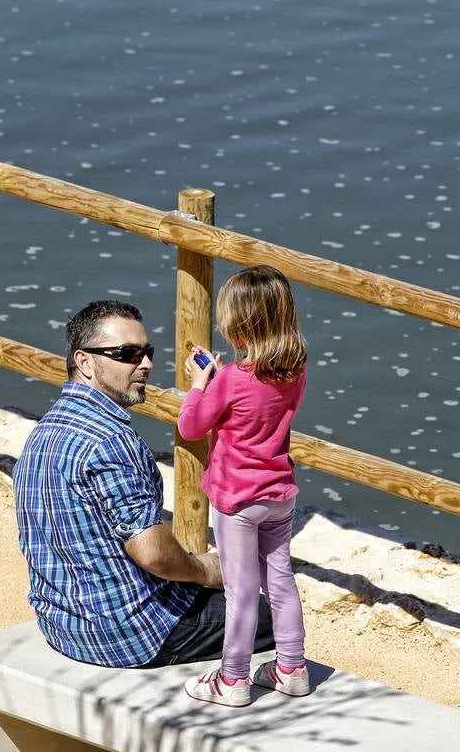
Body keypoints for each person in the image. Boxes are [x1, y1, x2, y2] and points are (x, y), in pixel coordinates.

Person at [13, 299, 274, 668]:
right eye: (128, 354)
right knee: (267, 612)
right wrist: (204, 569)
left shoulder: (44, 431)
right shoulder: (110, 440)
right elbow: (151, 553)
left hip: (61, 624)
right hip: (127, 636)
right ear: (84, 362)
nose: (146, 363)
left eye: (146, 351)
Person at [177, 265, 310, 707]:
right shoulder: (296, 371)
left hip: (237, 500)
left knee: (239, 589)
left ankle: (232, 678)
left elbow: (192, 425)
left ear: (237, 325)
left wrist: (201, 384)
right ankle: (291, 667)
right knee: (281, 581)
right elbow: (258, 407)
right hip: (279, 494)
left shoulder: (231, 380)